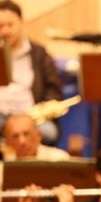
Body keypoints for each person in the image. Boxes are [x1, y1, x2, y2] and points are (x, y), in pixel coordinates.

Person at [0, 0, 62, 144]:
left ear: (21, 23)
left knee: (49, 132)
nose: (5, 31)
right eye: (0, 26)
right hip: (1, 116)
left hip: (32, 116)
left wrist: (40, 110)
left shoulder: (39, 53)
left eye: (10, 25)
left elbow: (53, 89)